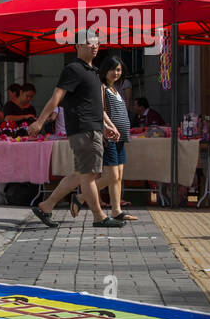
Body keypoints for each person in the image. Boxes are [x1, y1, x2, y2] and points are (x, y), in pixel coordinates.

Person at [28, 32, 124, 228]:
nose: (94, 46)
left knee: (81, 173)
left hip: (93, 128)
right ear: (77, 46)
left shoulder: (93, 72)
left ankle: (46, 206)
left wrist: (106, 126)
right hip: (83, 129)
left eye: (97, 43)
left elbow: (95, 105)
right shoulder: (73, 69)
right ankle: (99, 216)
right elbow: (56, 97)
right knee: (89, 175)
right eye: (89, 43)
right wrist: (40, 122)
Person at [90, 54, 137, 222]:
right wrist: (110, 127)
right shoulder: (101, 87)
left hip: (120, 138)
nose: (115, 73)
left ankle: (117, 210)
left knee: (118, 176)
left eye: (118, 70)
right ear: (104, 70)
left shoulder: (116, 89)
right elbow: (100, 110)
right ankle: (82, 197)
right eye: (112, 69)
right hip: (109, 137)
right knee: (111, 176)